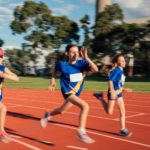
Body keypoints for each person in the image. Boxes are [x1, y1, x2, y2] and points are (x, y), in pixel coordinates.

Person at [40, 44, 98, 143]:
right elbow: (55, 68)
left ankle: (47, 114)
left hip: (76, 93)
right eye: (72, 52)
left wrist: (87, 58)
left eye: (77, 52)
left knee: (62, 111)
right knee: (85, 106)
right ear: (67, 53)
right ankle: (81, 132)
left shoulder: (82, 64)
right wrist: (53, 79)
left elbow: (96, 70)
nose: (75, 54)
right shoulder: (62, 64)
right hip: (67, 92)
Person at [94, 54, 132, 137]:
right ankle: (100, 97)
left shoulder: (121, 71)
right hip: (113, 92)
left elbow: (119, 84)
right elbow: (110, 81)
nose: (123, 62)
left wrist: (124, 89)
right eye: (121, 61)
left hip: (119, 92)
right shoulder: (117, 70)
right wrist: (112, 92)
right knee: (109, 112)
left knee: (123, 110)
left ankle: (122, 130)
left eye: (124, 60)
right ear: (117, 63)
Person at [0, 48, 20, 143]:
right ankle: (1, 132)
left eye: (0, 56)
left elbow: (17, 78)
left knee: (2, 109)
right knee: (3, 109)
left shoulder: (2, 68)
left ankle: (1, 132)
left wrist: (4, 75)